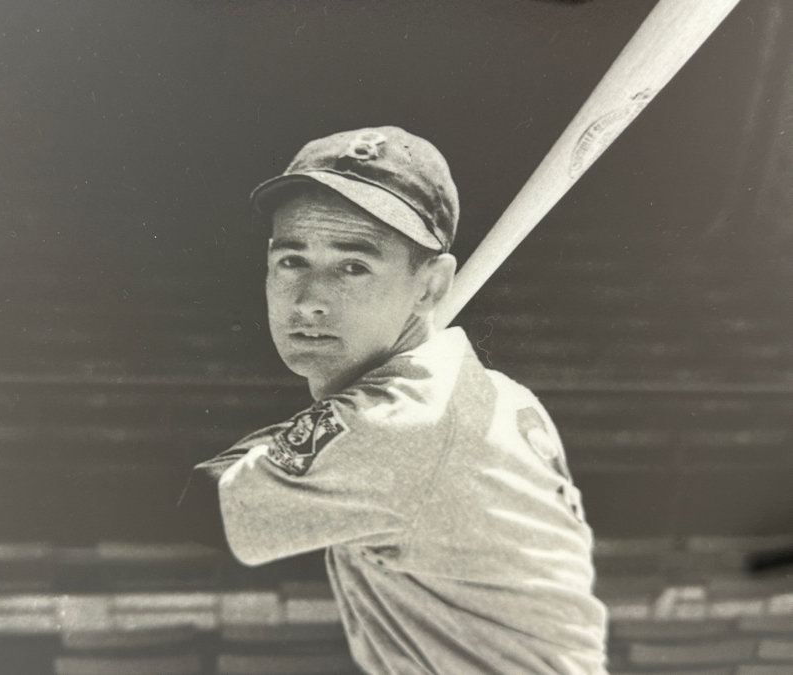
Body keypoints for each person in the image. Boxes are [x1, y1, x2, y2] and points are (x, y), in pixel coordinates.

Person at [194, 126, 608, 674]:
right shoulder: (492, 393)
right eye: (293, 261)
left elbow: (192, 512)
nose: (310, 300)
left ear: (432, 287)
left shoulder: (407, 420)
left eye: (353, 266)